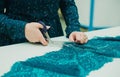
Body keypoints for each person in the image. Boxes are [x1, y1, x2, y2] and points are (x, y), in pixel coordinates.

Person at [0, 0, 88, 46]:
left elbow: (67, 4)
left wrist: (73, 28)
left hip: (53, 39)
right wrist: (22, 28)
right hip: (15, 41)